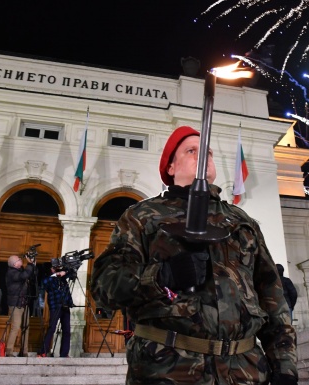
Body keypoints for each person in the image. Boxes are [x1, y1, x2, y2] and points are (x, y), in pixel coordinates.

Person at [92, 126, 298, 385]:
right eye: (192, 151)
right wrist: (161, 276)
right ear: (170, 167)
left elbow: (273, 296)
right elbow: (104, 286)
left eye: (208, 153)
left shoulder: (241, 222)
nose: (203, 158)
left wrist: (284, 364)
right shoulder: (142, 217)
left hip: (244, 371)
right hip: (168, 370)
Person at [37, 262, 74, 358]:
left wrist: (65, 270)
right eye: (54, 267)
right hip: (55, 306)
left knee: (66, 330)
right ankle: (42, 351)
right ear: (50, 269)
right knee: (51, 328)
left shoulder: (61, 277)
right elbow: (44, 284)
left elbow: (72, 273)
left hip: (65, 306)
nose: (56, 268)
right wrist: (56, 274)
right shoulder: (48, 279)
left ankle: (64, 353)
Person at [5, 254, 35, 357]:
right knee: (16, 326)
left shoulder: (20, 271)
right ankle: (9, 351)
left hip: (24, 303)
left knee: (25, 327)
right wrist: (30, 264)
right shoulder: (11, 273)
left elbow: (30, 274)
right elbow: (24, 276)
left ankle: (24, 351)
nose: (21, 260)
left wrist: (32, 265)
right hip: (15, 304)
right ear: (14, 264)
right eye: (19, 259)